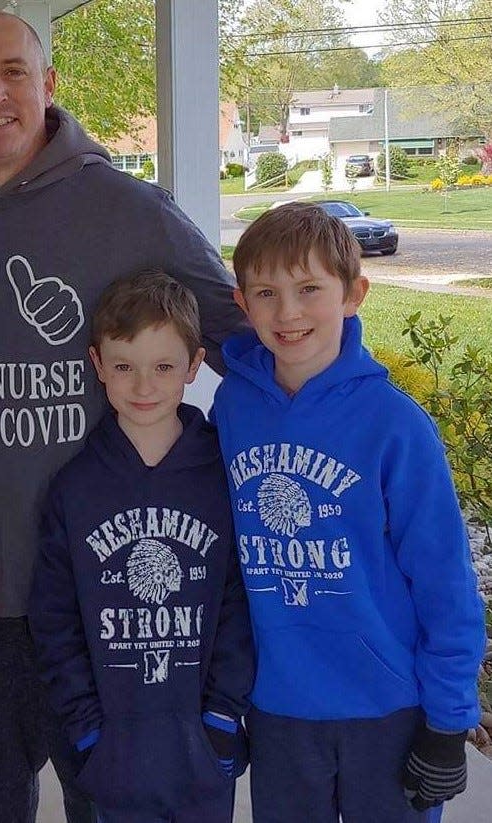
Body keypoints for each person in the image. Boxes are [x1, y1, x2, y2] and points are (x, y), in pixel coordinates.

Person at [0, 11, 248, 821]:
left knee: (100, 796)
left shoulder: (129, 209)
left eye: (15, 71)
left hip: (105, 589)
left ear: (49, 83)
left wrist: (337, 421)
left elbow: (240, 340)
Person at [210, 202, 486, 822]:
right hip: (280, 706)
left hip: (386, 707)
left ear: (353, 294)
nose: (288, 312)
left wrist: (449, 718)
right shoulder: (233, 408)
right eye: (267, 292)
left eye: (310, 289)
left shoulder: (395, 426)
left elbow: (444, 580)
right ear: (242, 302)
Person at [28, 272, 255, 823]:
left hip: (202, 739)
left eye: (164, 367)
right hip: (113, 746)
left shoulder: (220, 473)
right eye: (124, 366)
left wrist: (224, 717)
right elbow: (55, 617)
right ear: (97, 363)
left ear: (195, 365)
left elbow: (240, 600)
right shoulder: (76, 486)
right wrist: (85, 728)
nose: (144, 386)